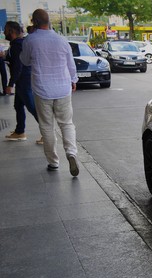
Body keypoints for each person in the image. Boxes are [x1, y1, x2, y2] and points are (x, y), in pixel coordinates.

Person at [20, 9, 80, 176]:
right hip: (62, 88)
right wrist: (73, 80)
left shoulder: (30, 40)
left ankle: (53, 162)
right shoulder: (62, 40)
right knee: (67, 123)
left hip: (42, 89)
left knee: (47, 126)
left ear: (34, 22)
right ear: (49, 22)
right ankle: (71, 153)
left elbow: (24, 61)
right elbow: (71, 64)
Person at [3, 21, 41, 143]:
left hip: (24, 81)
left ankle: (47, 133)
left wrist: (10, 84)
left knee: (32, 107)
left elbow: (18, 66)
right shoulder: (18, 43)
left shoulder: (17, 45)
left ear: (12, 31)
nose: (4, 32)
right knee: (18, 106)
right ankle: (20, 132)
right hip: (22, 80)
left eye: (5, 30)